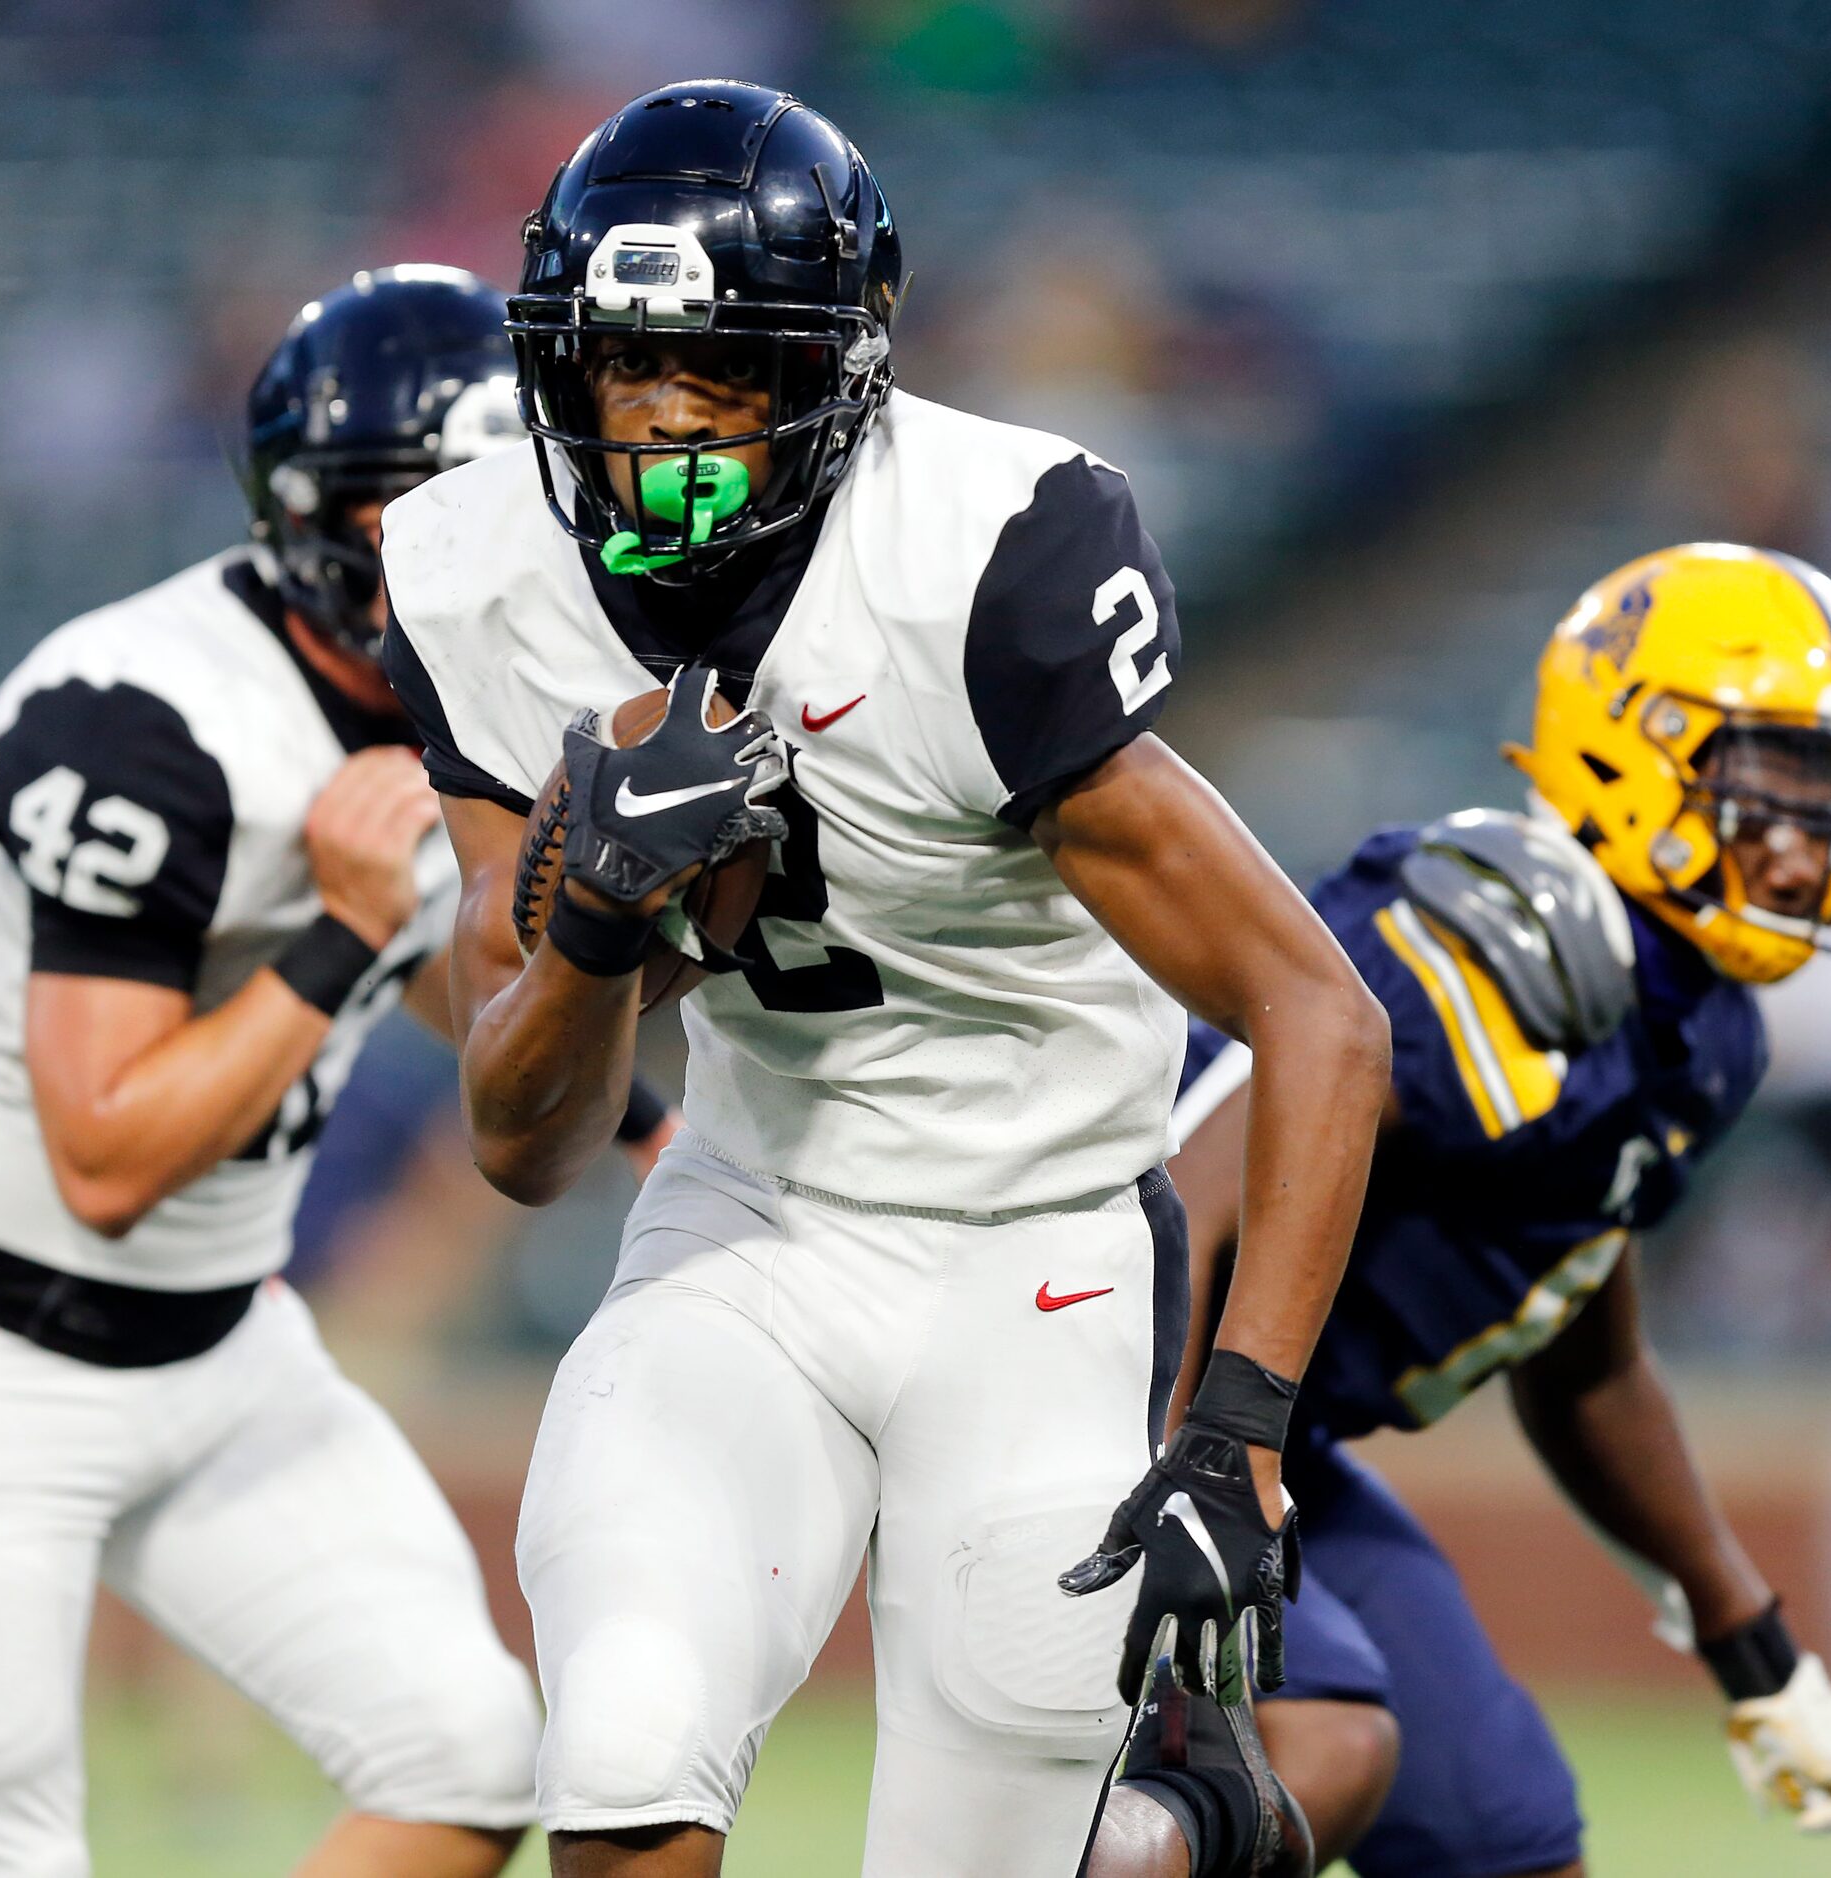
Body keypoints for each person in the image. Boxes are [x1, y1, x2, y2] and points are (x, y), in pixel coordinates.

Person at [378, 80, 1389, 1878]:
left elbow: (1321, 1011)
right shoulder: (475, 570)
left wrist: (1237, 1431)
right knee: (618, 1737)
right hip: (752, 1218)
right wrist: (606, 912)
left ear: (833, 381)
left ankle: (1183, 1822)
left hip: (1042, 1258)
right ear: (558, 369)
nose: (668, 428)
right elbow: (523, 1138)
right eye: (628, 371)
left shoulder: (985, 562)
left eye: (726, 378)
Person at [0, 266, 647, 1878]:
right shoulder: (138, 718)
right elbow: (106, 1158)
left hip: (221, 1347)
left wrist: (639, 1120)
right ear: (342, 528)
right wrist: (326, 939)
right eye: (445, 511)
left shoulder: (465, 691)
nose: (497, 550)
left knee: (470, 1757)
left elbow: (435, 949)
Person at [1092, 544, 1831, 1878]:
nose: (1816, 831)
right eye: (1782, 776)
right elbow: (1186, 1187)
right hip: (1130, 1384)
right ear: (1634, 750)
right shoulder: (1492, 944)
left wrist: (1748, 1640)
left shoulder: (1699, 1027)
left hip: (1273, 1447)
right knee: (1323, 1745)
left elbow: (1583, 1342)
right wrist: (1172, 1470)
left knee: (1508, 1836)